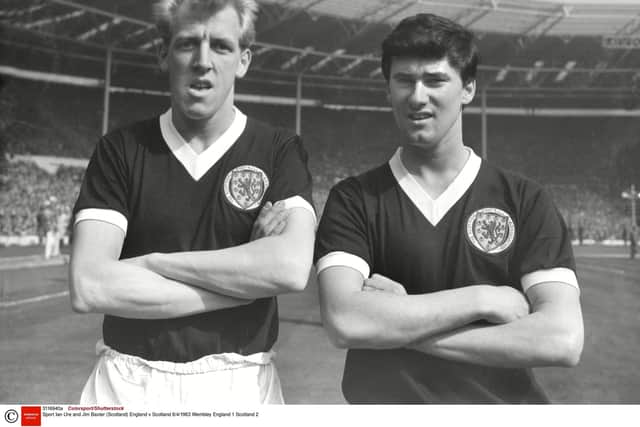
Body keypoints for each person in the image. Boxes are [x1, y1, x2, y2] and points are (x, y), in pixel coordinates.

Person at [314, 13, 583, 403]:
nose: (418, 96)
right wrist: (481, 299)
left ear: (468, 89)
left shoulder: (524, 200)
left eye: (436, 80)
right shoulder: (354, 199)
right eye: (404, 80)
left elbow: (562, 340)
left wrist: (398, 323)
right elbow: (345, 320)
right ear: (388, 89)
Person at [69, 0, 315, 405]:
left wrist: (152, 264)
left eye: (220, 45)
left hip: (242, 386)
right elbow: (89, 286)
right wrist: (244, 278)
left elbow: (288, 269)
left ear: (243, 60)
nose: (203, 61)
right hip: (126, 384)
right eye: (187, 44)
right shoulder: (120, 150)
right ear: (163, 54)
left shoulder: (279, 150)